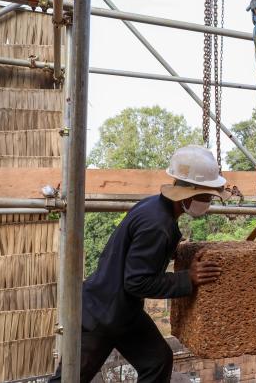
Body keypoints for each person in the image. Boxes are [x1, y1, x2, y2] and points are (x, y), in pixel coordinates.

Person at [50, 145, 230, 383]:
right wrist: (188, 278)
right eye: (206, 196)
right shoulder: (157, 224)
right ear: (189, 193)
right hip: (102, 314)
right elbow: (136, 281)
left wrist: (173, 251)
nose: (207, 202)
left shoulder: (155, 207)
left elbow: (139, 253)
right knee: (69, 379)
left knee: (158, 360)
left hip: (123, 312)